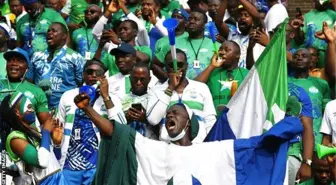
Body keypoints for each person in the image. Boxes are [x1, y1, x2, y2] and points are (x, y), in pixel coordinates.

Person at [72, 88, 303, 185]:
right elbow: (118, 133)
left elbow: (254, 149)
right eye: (168, 113)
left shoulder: (212, 151)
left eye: (176, 113)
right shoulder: (156, 149)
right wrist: (88, 110)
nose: (169, 115)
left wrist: (282, 131)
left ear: (190, 124)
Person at [56, 60, 124, 185]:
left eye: (98, 72)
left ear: (104, 76)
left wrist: (105, 97)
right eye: (89, 71)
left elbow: (121, 128)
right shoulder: (68, 96)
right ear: (83, 75)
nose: (93, 75)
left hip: (97, 166)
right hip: (69, 166)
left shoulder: (112, 99)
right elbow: (58, 129)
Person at [0, 92, 65, 185]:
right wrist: (46, 132)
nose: (33, 110)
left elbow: (56, 161)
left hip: (59, 179)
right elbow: (42, 163)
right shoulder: (15, 138)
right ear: (16, 112)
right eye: (29, 107)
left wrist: (57, 144)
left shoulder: (34, 130)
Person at [147, 49, 216, 136]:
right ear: (165, 67)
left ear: (186, 66)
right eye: (171, 65)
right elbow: (153, 120)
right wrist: (170, 88)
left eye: (180, 65)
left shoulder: (201, 88)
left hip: (198, 145)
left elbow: (210, 120)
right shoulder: (155, 90)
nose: (176, 68)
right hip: (168, 145)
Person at [27, 22, 85, 110]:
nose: (49, 33)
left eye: (54, 31)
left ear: (64, 36)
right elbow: (29, 81)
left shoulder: (75, 57)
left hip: (66, 107)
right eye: (48, 31)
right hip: (40, 107)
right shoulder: (36, 56)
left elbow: (81, 83)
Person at [153, 10, 220, 80]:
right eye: (190, 19)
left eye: (196, 19)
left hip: (207, 89)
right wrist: (167, 79)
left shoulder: (216, 46)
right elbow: (154, 64)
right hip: (179, 89)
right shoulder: (173, 44)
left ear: (204, 25)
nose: (191, 21)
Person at [288, 48, 331, 145]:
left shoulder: (321, 84)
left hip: (316, 139)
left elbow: (328, 114)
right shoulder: (284, 82)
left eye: (304, 56)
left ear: (311, 60)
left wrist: (327, 138)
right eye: (296, 56)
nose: (299, 58)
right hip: (291, 139)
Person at [195, 41, 248, 115]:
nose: (222, 52)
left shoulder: (247, 74)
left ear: (237, 55)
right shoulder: (211, 72)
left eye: (227, 50)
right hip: (214, 121)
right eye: (220, 49)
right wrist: (211, 66)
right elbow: (194, 87)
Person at [0, 48, 50, 126]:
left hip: (25, 137)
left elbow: (46, 123)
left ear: (27, 68)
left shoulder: (37, 91)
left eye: (20, 61)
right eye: (11, 60)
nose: (14, 63)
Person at [214, 0, 265, 69]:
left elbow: (257, 16)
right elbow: (218, 22)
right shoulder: (232, 35)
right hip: (232, 77)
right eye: (240, 16)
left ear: (253, 21)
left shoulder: (258, 34)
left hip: (251, 76)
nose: (242, 18)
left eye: (246, 15)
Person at [287, 83, 314, 185]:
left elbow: (307, 129)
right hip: (262, 152)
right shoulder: (256, 85)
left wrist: (307, 162)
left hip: (290, 155)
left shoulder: (298, 92)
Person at [152, 8, 189, 82]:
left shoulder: (189, 38)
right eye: (174, 16)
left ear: (186, 23)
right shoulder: (160, 41)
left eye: (179, 17)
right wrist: (166, 78)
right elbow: (155, 64)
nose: (175, 19)